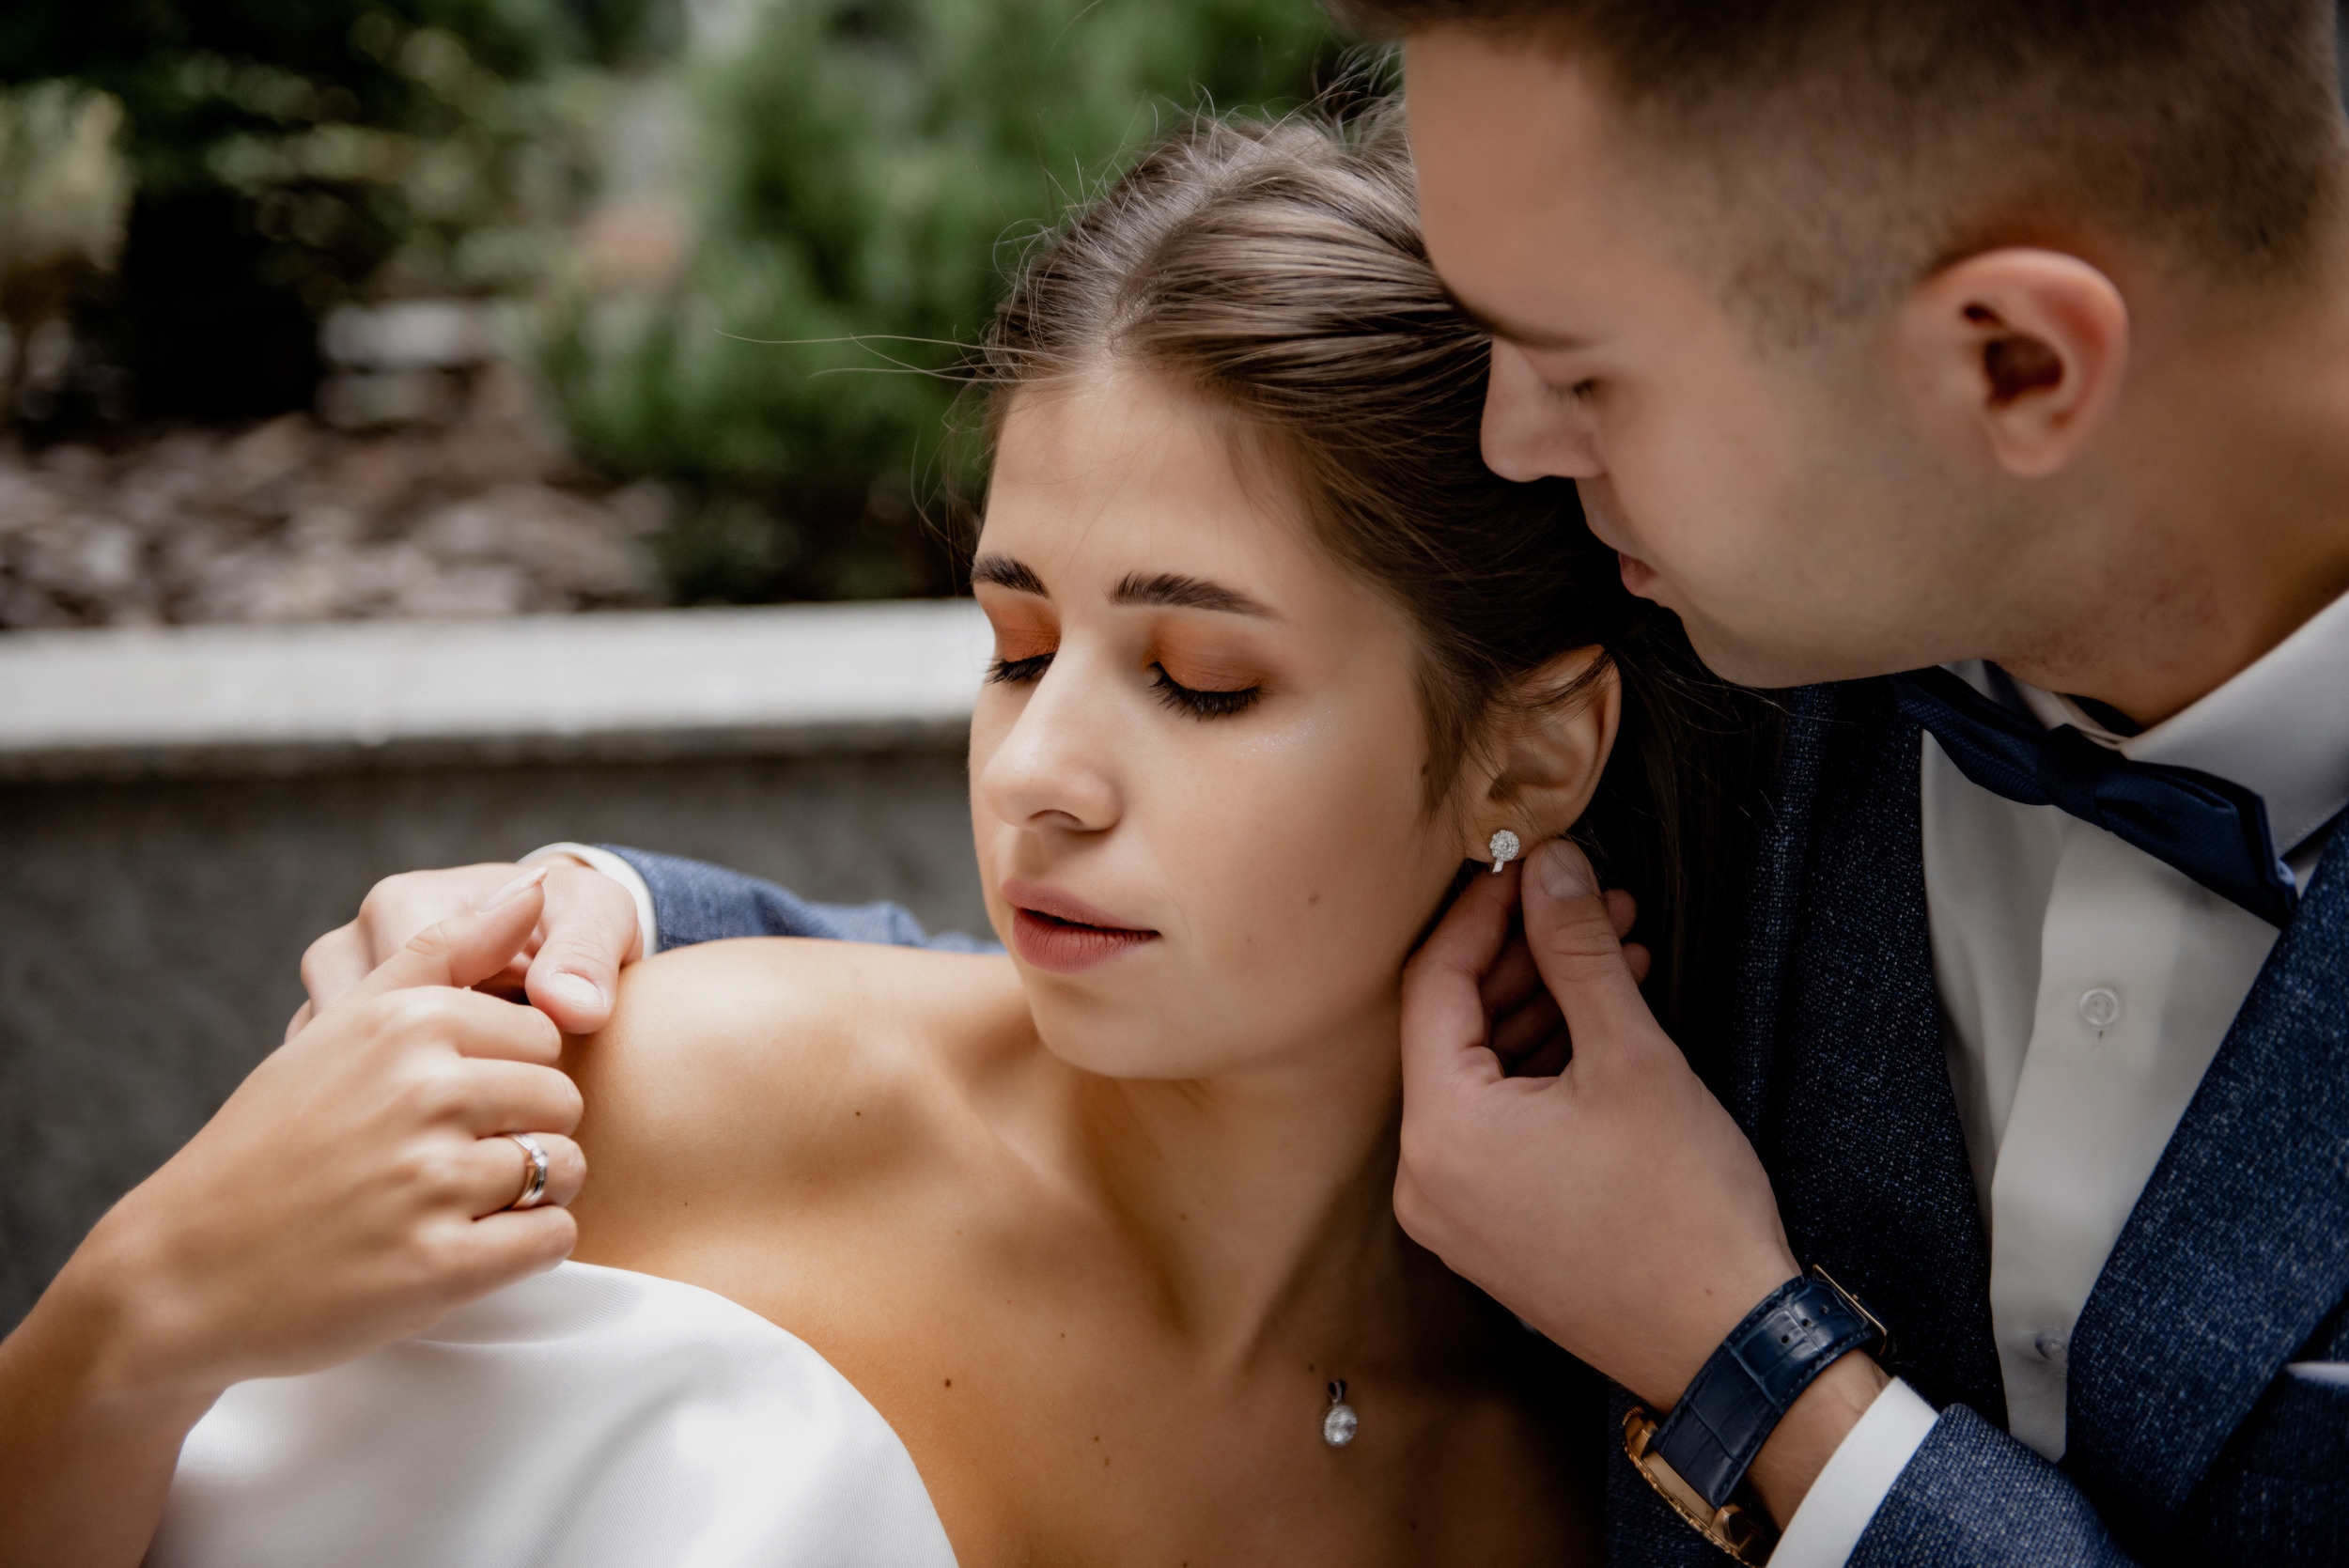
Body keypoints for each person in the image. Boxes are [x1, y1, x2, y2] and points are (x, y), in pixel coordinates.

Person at [293, 2, 2349, 1564]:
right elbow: (1268, 966)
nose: (1514, 444)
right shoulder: (1780, 611)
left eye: (1578, 363)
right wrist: (627, 934)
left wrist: (1754, 1370)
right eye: (1015, 647)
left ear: (2006, 365)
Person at [0, 110, 1772, 1567]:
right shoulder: (660, 1101)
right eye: (1015, 647)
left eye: (1201, 678)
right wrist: (136, 1310)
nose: (1041, 772)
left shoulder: (1559, 1474)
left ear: (1530, 756)